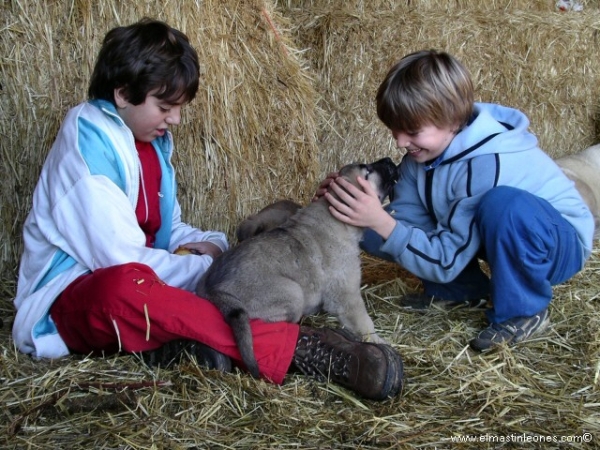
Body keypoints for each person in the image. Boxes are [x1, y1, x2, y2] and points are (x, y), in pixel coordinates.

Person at [12, 18, 404, 401]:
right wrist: (212, 270)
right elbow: (117, 259)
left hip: (154, 285)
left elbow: (170, 230)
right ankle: (301, 349)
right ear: (122, 93)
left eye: (179, 107)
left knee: (185, 291)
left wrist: (215, 246)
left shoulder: (148, 144)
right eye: (165, 106)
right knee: (122, 288)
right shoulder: (87, 149)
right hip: (74, 299)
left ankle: (187, 348)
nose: (176, 119)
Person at [318, 49, 594, 351]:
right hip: (497, 236)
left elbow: (445, 259)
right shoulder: (418, 160)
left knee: (502, 206)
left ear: (451, 120)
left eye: (411, 131)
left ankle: (524, 311)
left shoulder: (486, 164)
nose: (399, 142)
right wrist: (351, 207)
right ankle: (462, 290)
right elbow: (406, 226)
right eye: (394, 130)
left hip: (556, 246)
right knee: (375, 229)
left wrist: (381, 220)